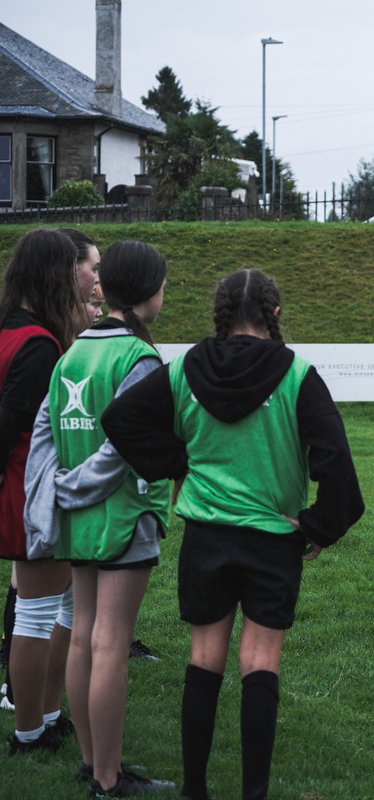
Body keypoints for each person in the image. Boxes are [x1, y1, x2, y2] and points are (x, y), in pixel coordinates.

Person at [102, 267, 364, 800]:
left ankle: (194, 790)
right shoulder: (297, 374)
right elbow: (337, 463)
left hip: (206, 535)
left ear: (219, 313)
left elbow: (120, 419)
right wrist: (319, 526)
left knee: (204, 657)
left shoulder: (184, 369)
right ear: (275, 313)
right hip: (272, 539)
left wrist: (177, 467)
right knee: (260, 661)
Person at [33, 240, 174, 797]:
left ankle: (93, 766)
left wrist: (59, 491)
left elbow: (45, 437)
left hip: (76, 519)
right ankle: (110, 781)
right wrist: (80, 485)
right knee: (111, 642)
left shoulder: (71, 354)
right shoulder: (137, 358)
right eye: (162, 284)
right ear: (146, 293)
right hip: (121, 516)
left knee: (84, 637)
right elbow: (126, 444)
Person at [0, 229, 80, 755]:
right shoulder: (40, 343)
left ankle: (47, 716)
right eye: (75, 268)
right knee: (37, 611)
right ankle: (30, 731)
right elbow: (11, 425)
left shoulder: (9, 329)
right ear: (55, 274)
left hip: (18, 489)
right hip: (26, 492)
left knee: (55, 603)